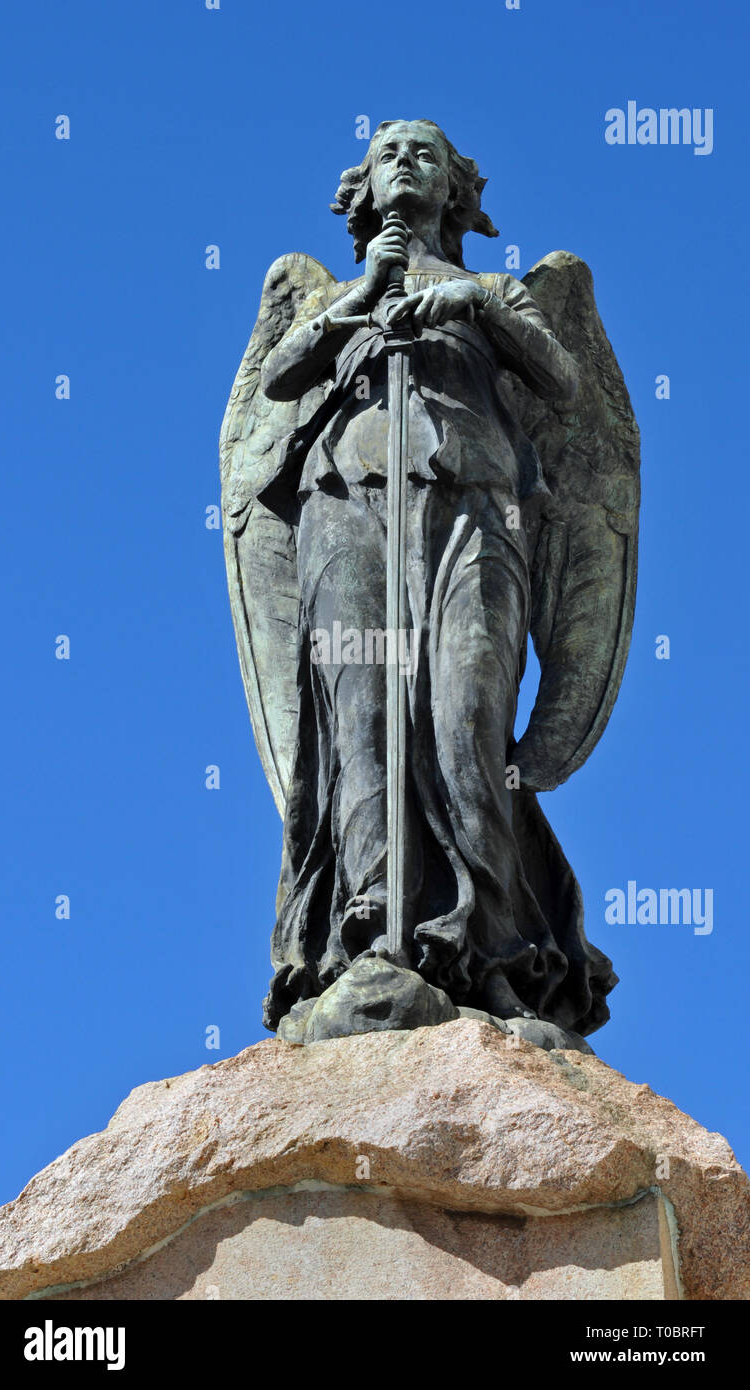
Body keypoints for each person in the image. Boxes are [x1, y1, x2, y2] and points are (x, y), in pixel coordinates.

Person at [257, 120, 616, 1035]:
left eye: (426, 153)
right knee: (365, 720)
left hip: (475, 512)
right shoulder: (333, 295)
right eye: (386, 153)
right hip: (347, 509)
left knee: (466, 718)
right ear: (363, 188)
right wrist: (363, 297)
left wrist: (469, 307)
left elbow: (564, 382)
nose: (405, 163)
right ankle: (371, 945)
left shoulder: (493, 287)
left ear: (458, 189)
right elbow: (281, 379)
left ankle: (492, 958)